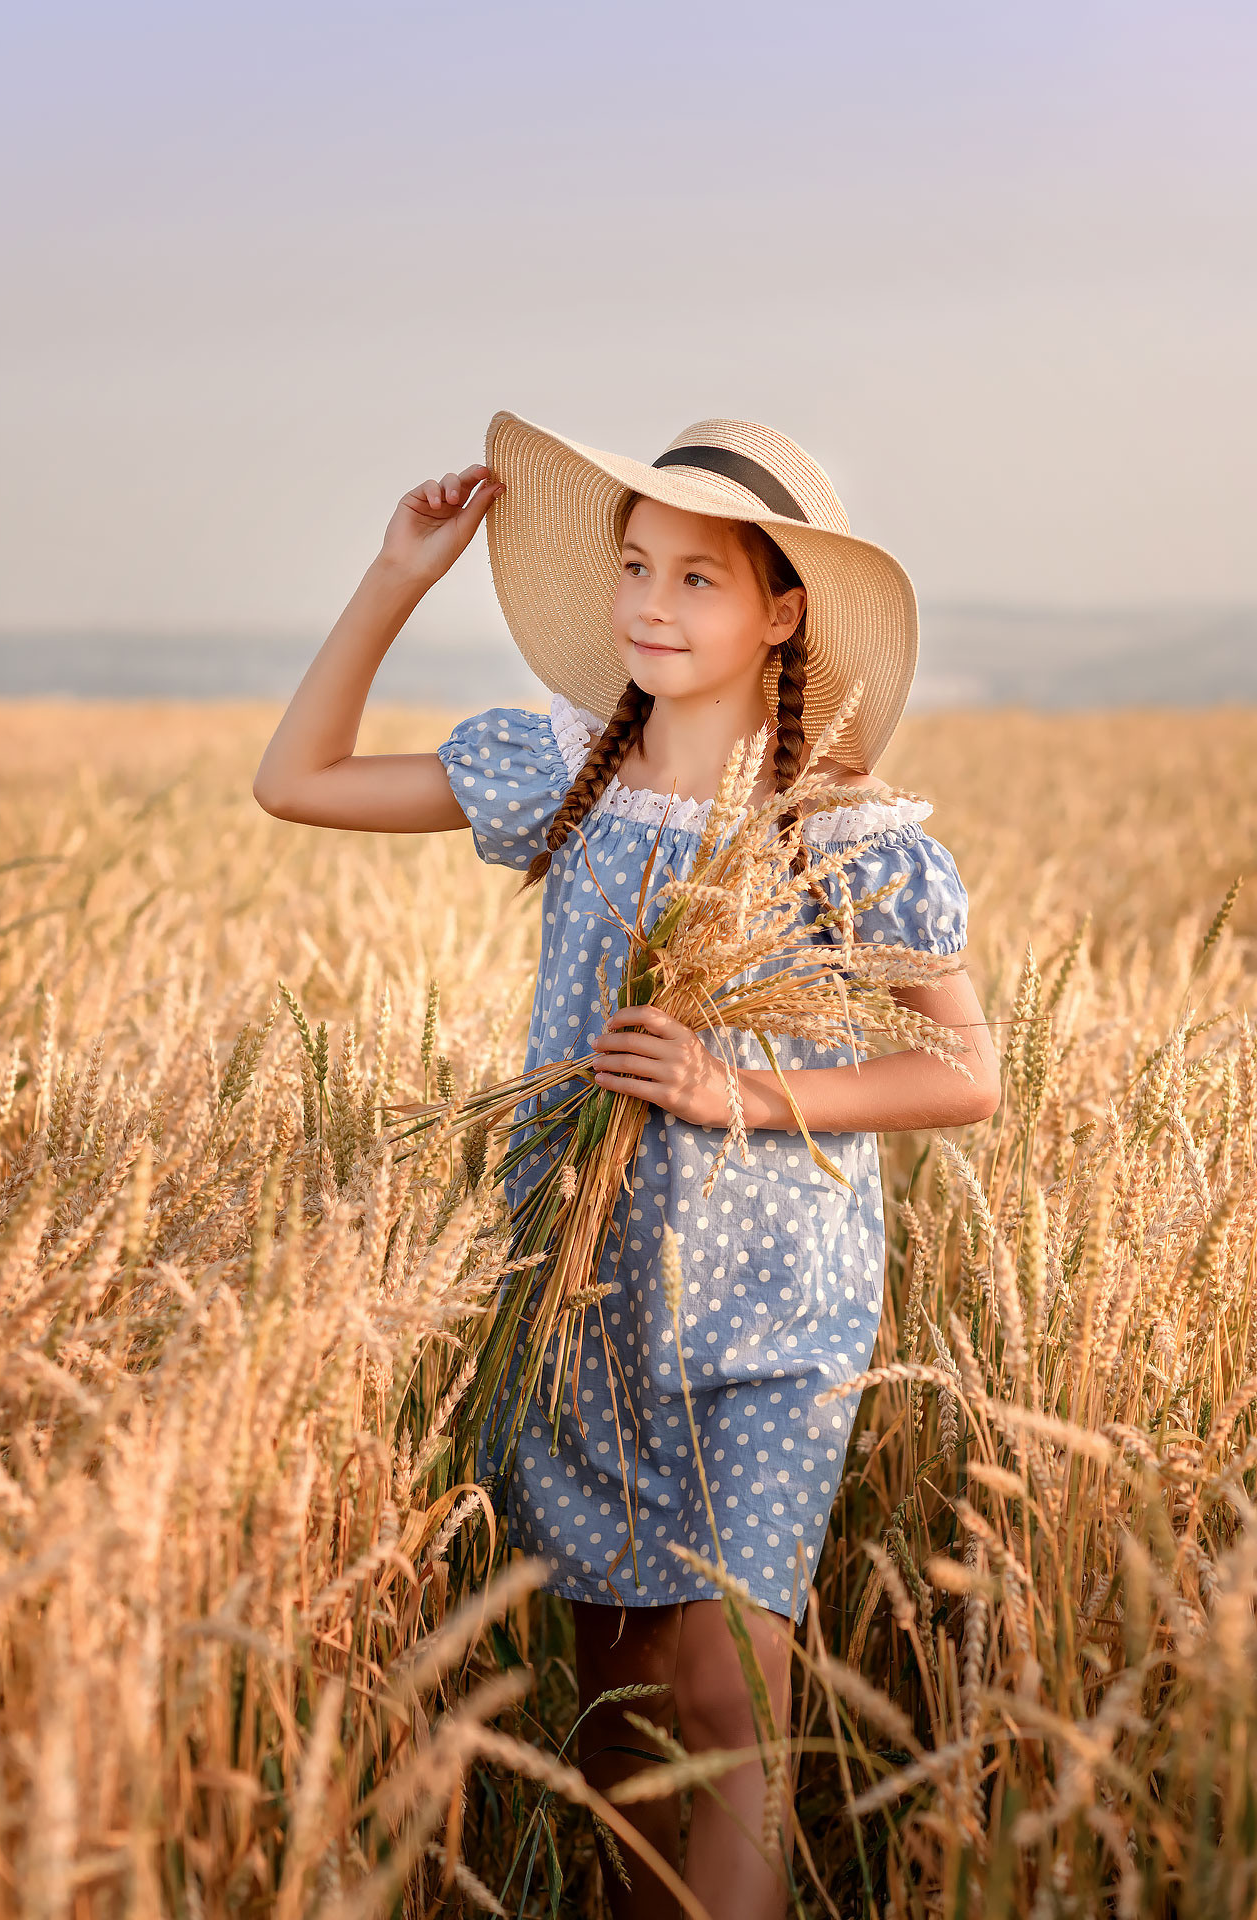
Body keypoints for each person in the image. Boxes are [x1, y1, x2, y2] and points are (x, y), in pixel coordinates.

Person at [253, 411, 1002, 1919]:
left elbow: (966, 1075)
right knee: (620, 1722)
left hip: (774, 1319)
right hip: (578, 1298)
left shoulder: (839, 832)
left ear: (783, 610)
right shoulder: (563, 776)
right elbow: (297, 779)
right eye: (636, 570)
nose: (653, 608)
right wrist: (399, 576)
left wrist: (738, 1090)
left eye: (701, 581)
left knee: (729, 1705)